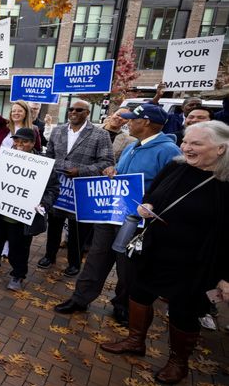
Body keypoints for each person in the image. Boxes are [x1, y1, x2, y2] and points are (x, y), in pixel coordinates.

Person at [100, 121, 229, 385]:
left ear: (220, 149)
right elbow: (152, 194)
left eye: (196, 144)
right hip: (155, 249)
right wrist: (147, 205)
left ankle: (178, 362)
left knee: (184, 310)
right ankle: (135, 340)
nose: (186, 147)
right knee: (139, 293)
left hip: (197, 262)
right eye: (185, 141)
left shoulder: (225, 184)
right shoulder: (176, 166)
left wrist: (226, 276)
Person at [53, 103, 180, 321]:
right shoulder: (132, 146)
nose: (128, 122)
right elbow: (119, 173)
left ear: (147, 122)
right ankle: (80, 298)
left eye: (133, 119)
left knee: (127, 266)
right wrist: (112, 171)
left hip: (137, 221)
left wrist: (151, 205)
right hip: (111, 214)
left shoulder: (168, 151)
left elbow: (172, 189)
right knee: (96, 258)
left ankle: (122, 305)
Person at [37, 100, 114, 277]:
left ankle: (74, 262)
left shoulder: (99, 134)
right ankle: (50, 256)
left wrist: (81, 171)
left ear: (87, 113)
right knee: (54, 225)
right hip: (58, 187)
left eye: (78, 110)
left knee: (78, 230)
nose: (73, 112)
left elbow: (107, 162)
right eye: (71, 109)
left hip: (81, 189)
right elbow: (49, 156)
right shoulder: (58, 130)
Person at [0, 128, 60, 290]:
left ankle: (18, 275)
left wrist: (44, 204)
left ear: (33, 143)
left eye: (25, 142)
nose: (20, 144)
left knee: (19, 248)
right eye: (17, 141)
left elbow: (53, 189)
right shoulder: (2, 157)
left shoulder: (43, 164)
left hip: (22, 218)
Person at [0, 74, 42, 163]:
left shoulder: (33, 129)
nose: (16, 113)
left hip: (18, 167)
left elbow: (37, 150)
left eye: (19, 111)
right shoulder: (3, 125)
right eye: (13, 111)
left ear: (26, 113)